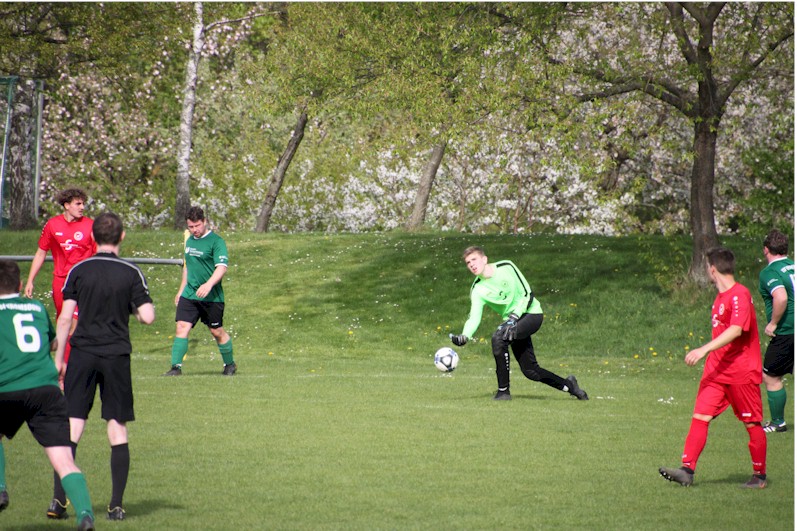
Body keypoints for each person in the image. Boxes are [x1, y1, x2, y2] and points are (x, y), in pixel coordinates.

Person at [49, 212, 155, 521]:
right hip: (116, 356)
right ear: (122, 237)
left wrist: (59, 361)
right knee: (116, 427)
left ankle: (58, 501)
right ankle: (116, 505)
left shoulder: (79, 269)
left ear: (93, 238)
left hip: (82, 355)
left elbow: (66, 318)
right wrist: (133, 309)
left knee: (73, 426)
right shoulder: (131, 272)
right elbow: (147, 316)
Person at [660, 247, 767, 489]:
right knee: (700, 417)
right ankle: (687, 470)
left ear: (712, 269)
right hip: (717, 373)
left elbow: (736, 330)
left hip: (741, 373)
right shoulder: (719, 298)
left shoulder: (740, 294)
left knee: (751, 424)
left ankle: (759, 476)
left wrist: (703, 349)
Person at [0, 260, 95, 530]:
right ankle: (86, 515)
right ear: (19, 285)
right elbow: (51, 342)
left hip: (6, 388)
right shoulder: (36, 308)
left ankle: (0, 488)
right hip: (46, 390)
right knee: (63, 459)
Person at [450, 246, 588, 401]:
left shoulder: (506, 266)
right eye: (468, 263)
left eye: (474, 260)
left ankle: (503, 392)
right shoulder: (477, 289)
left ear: (484, 259)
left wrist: (514, 317)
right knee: (531, 371)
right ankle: (570, 386)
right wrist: (465, 335)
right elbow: (474, 317)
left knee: (498, 337)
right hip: (511, 323)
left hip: (531, 313)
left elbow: (527, 293)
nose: (472, 265)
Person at [24, 188, 96, 366]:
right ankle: (63, 366)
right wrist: (30, 280)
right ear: (66, 205)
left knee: (74, 323)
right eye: (78, 204)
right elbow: (41, 253)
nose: (82, 207)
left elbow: (98, 256)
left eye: (83, 203)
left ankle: (68, 367)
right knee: (64, 323)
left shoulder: (90, 225)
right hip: (61, 282)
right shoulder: (53, 225)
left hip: (84, 282)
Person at [164, 206, 236, 376]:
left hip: (212, 296)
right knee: (182, 326)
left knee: (216, 331)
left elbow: (221, 268)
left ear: (204, 222)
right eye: (191, 226)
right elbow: (187, 267)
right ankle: (176, 368)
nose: (194, 230)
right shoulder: (189, 241)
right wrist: (181, 290)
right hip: (190, 294)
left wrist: (209, 284)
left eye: (197, 225)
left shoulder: (216, 242)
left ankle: (230, 364)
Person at [757, 229, 795, 433]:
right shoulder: (793, 266)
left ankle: (778, 422)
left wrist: (773, 323)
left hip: (787, 331)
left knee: (771, 376)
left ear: (766, 250)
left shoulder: (770, 272)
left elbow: (780, 298)